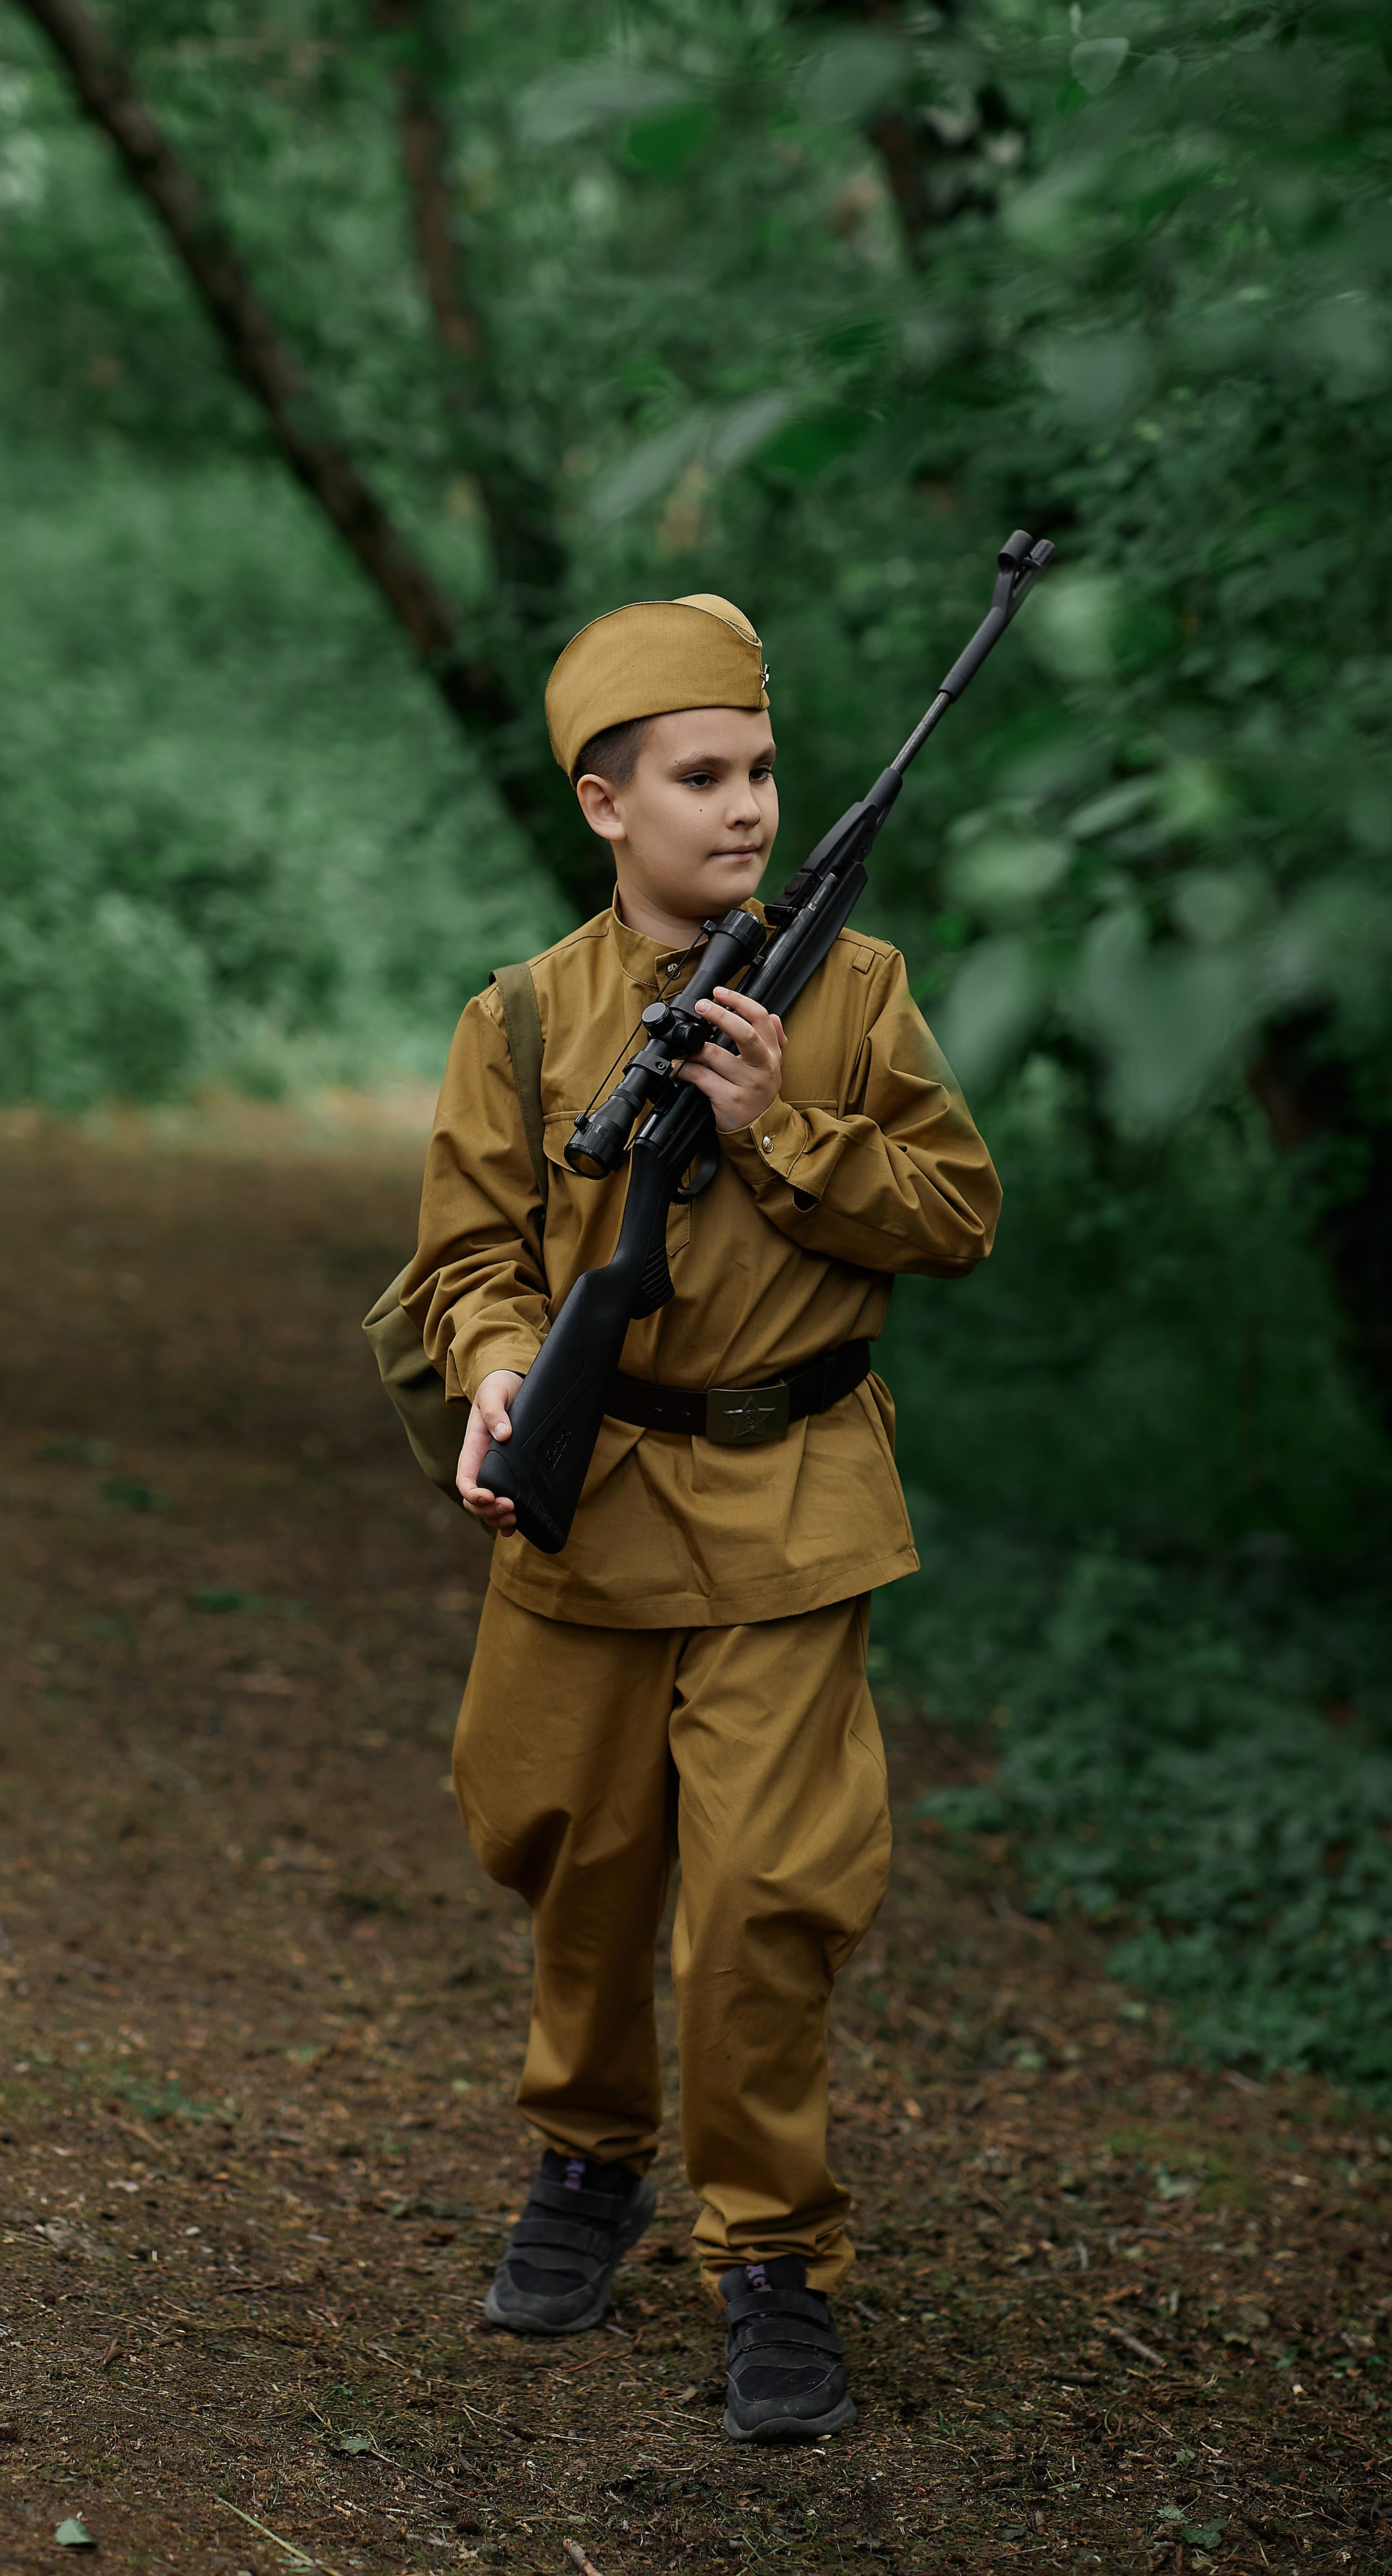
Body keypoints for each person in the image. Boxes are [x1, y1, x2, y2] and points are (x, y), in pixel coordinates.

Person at [400, 593, 1000, 2442]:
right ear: (606, 803)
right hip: (588, 1496)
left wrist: (777, 1128)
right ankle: (588, 2163)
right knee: (574, 1858)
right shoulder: (520, 1018)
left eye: (761, 770)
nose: (746, 806)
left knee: (762, 1903)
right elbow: (471, 1260)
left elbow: (957, 1213)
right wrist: (501, 1367)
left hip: (792, 1507)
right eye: (701, 775)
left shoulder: (858, 995)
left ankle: (775, 2261)